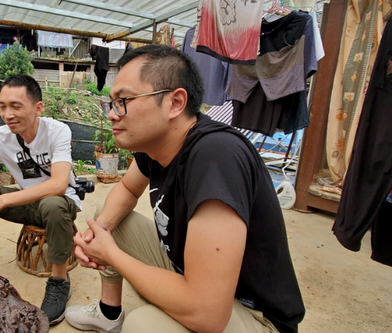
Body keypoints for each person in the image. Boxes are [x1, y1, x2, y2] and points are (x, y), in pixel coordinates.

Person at [65, 45, 305, 333]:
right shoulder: (155, 145)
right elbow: (128, 190)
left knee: (144, 326)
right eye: (112, 103)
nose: (112, 115)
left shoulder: (217, 156)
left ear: (175, 103)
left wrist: (111, 255)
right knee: (107, 215)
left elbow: (209, 315)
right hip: (192, 276)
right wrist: (98, 233)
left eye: (124, 100)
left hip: (255, 315)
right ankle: (108, 312)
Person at [0, 74, 81, 324]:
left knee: (52, 202)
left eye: (16, 106)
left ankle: (59, 280)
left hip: (59, 202)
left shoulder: (57, 131)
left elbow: (58, 184)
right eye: (2, 106)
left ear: (37, 108)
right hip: (26, 203)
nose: (7, 114)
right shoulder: (0, 137)